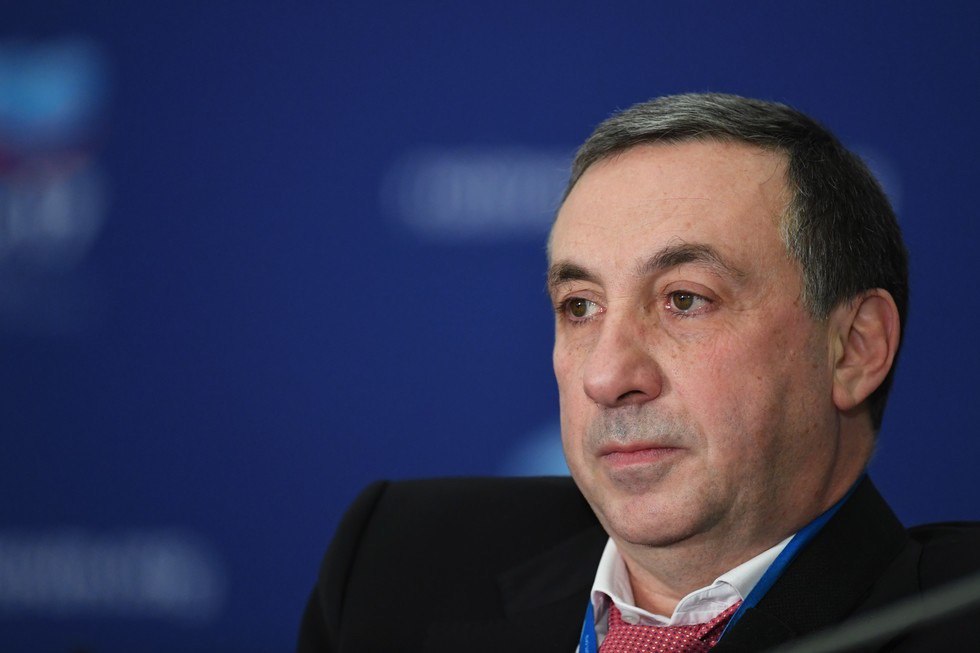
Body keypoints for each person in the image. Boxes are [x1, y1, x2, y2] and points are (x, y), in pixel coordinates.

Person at [296, 93, 980, 652]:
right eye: (580, 306)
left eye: (685, 299)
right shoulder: (395, 566)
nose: (606, 376)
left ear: (854, 348)